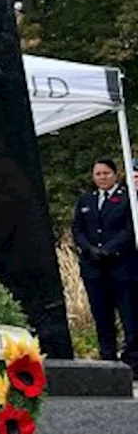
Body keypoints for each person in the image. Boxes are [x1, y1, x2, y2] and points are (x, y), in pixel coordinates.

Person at [73, 158, 138, 374]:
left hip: (121, 267)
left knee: (130, 316)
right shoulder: (86, 200)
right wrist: (90, 249)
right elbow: (78, 230)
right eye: (98, 174)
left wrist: (109, 249)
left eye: (106, 173)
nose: (102, 177)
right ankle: (107, 360)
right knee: (102, 316)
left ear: (115, 174)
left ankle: (133, 362)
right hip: (94, 268)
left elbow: (129, 229)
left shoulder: (127, 199)